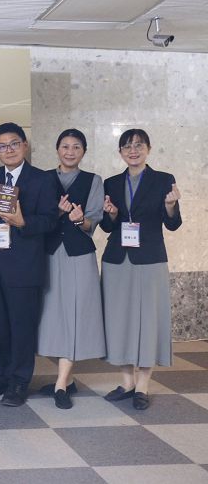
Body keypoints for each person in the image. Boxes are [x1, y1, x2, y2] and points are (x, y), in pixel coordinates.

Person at [0, 122, 57, 407]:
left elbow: (50, 220)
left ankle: (20, 382)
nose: (8, 150)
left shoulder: (43, 179)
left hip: (24, 265)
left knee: (22, 327)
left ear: (24, 145)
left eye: (13, 144)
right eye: (2, 146)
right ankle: (0, 377)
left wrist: (23, 222)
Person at [100, 128, 181, 410]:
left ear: (148, 148)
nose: (133, 151)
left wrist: (170, 206)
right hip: (117, 260)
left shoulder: (163, 180)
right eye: (127, 146)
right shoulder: (111, 183)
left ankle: (143, 385)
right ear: (120, 152)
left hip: (150, 258)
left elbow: (173, 224)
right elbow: (106, 226)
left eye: (138, 145)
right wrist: (111, 215)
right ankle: (127, 382)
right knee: (119, 320)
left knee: (148, 321)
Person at [37, 129, 106, 409]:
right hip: (48, 254)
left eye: (76, 147)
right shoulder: (43, 178)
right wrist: (57, 212)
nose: (70, 151)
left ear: (84, 151)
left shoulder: (93, 181)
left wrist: (78, 219)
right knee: (49, 318)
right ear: (57, 149)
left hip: (79, 256)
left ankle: (61, 385)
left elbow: (92, 223)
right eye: (65, 146)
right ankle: (67, 378)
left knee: (75, 316)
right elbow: (37, 217)